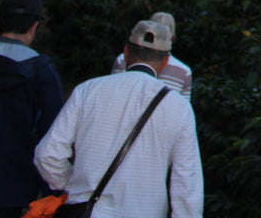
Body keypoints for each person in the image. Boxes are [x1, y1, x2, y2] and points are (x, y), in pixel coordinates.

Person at [35, 20, 203, 218]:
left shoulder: (87, 90)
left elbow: (47, 154)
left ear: (125, 52)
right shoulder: (179, 107)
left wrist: (73, 186)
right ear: (166, 61)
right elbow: (187, 182)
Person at [0, 0, 65, 218]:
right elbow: (52, 135)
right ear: (33, 27)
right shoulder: (40, 71)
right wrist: (52, 193)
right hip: (12, 190)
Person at [110, 12, 192, 101]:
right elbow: (184, 105)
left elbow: (113, 89)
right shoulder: (184, 72)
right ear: (173, 38)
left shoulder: (122, 59)